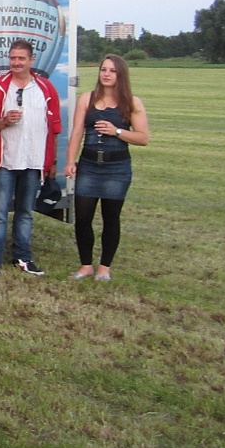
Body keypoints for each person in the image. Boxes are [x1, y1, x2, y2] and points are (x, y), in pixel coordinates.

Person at [64, 54, 150, 282]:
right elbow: (77, 132)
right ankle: (85, 265)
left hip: (116, 169)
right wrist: (70, 161)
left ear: (121, 75)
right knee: (83, 217)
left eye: (112, 71)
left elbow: (143, 138)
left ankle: (104, 268)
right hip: (89, 166)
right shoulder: (87, 99)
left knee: (111, 217)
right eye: (103, 69)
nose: (107, 74)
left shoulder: (132, 102)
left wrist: (117, 131)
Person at [0, 39, 62, 279]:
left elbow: (54, 128)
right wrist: (4, 121)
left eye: (21, 58)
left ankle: (23, 257)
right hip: (6, 161)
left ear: (31, 60)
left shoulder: (46, 89)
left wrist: (52, 162)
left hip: (34, 161)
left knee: (25, 211)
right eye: (13, 58)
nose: (16, 62)